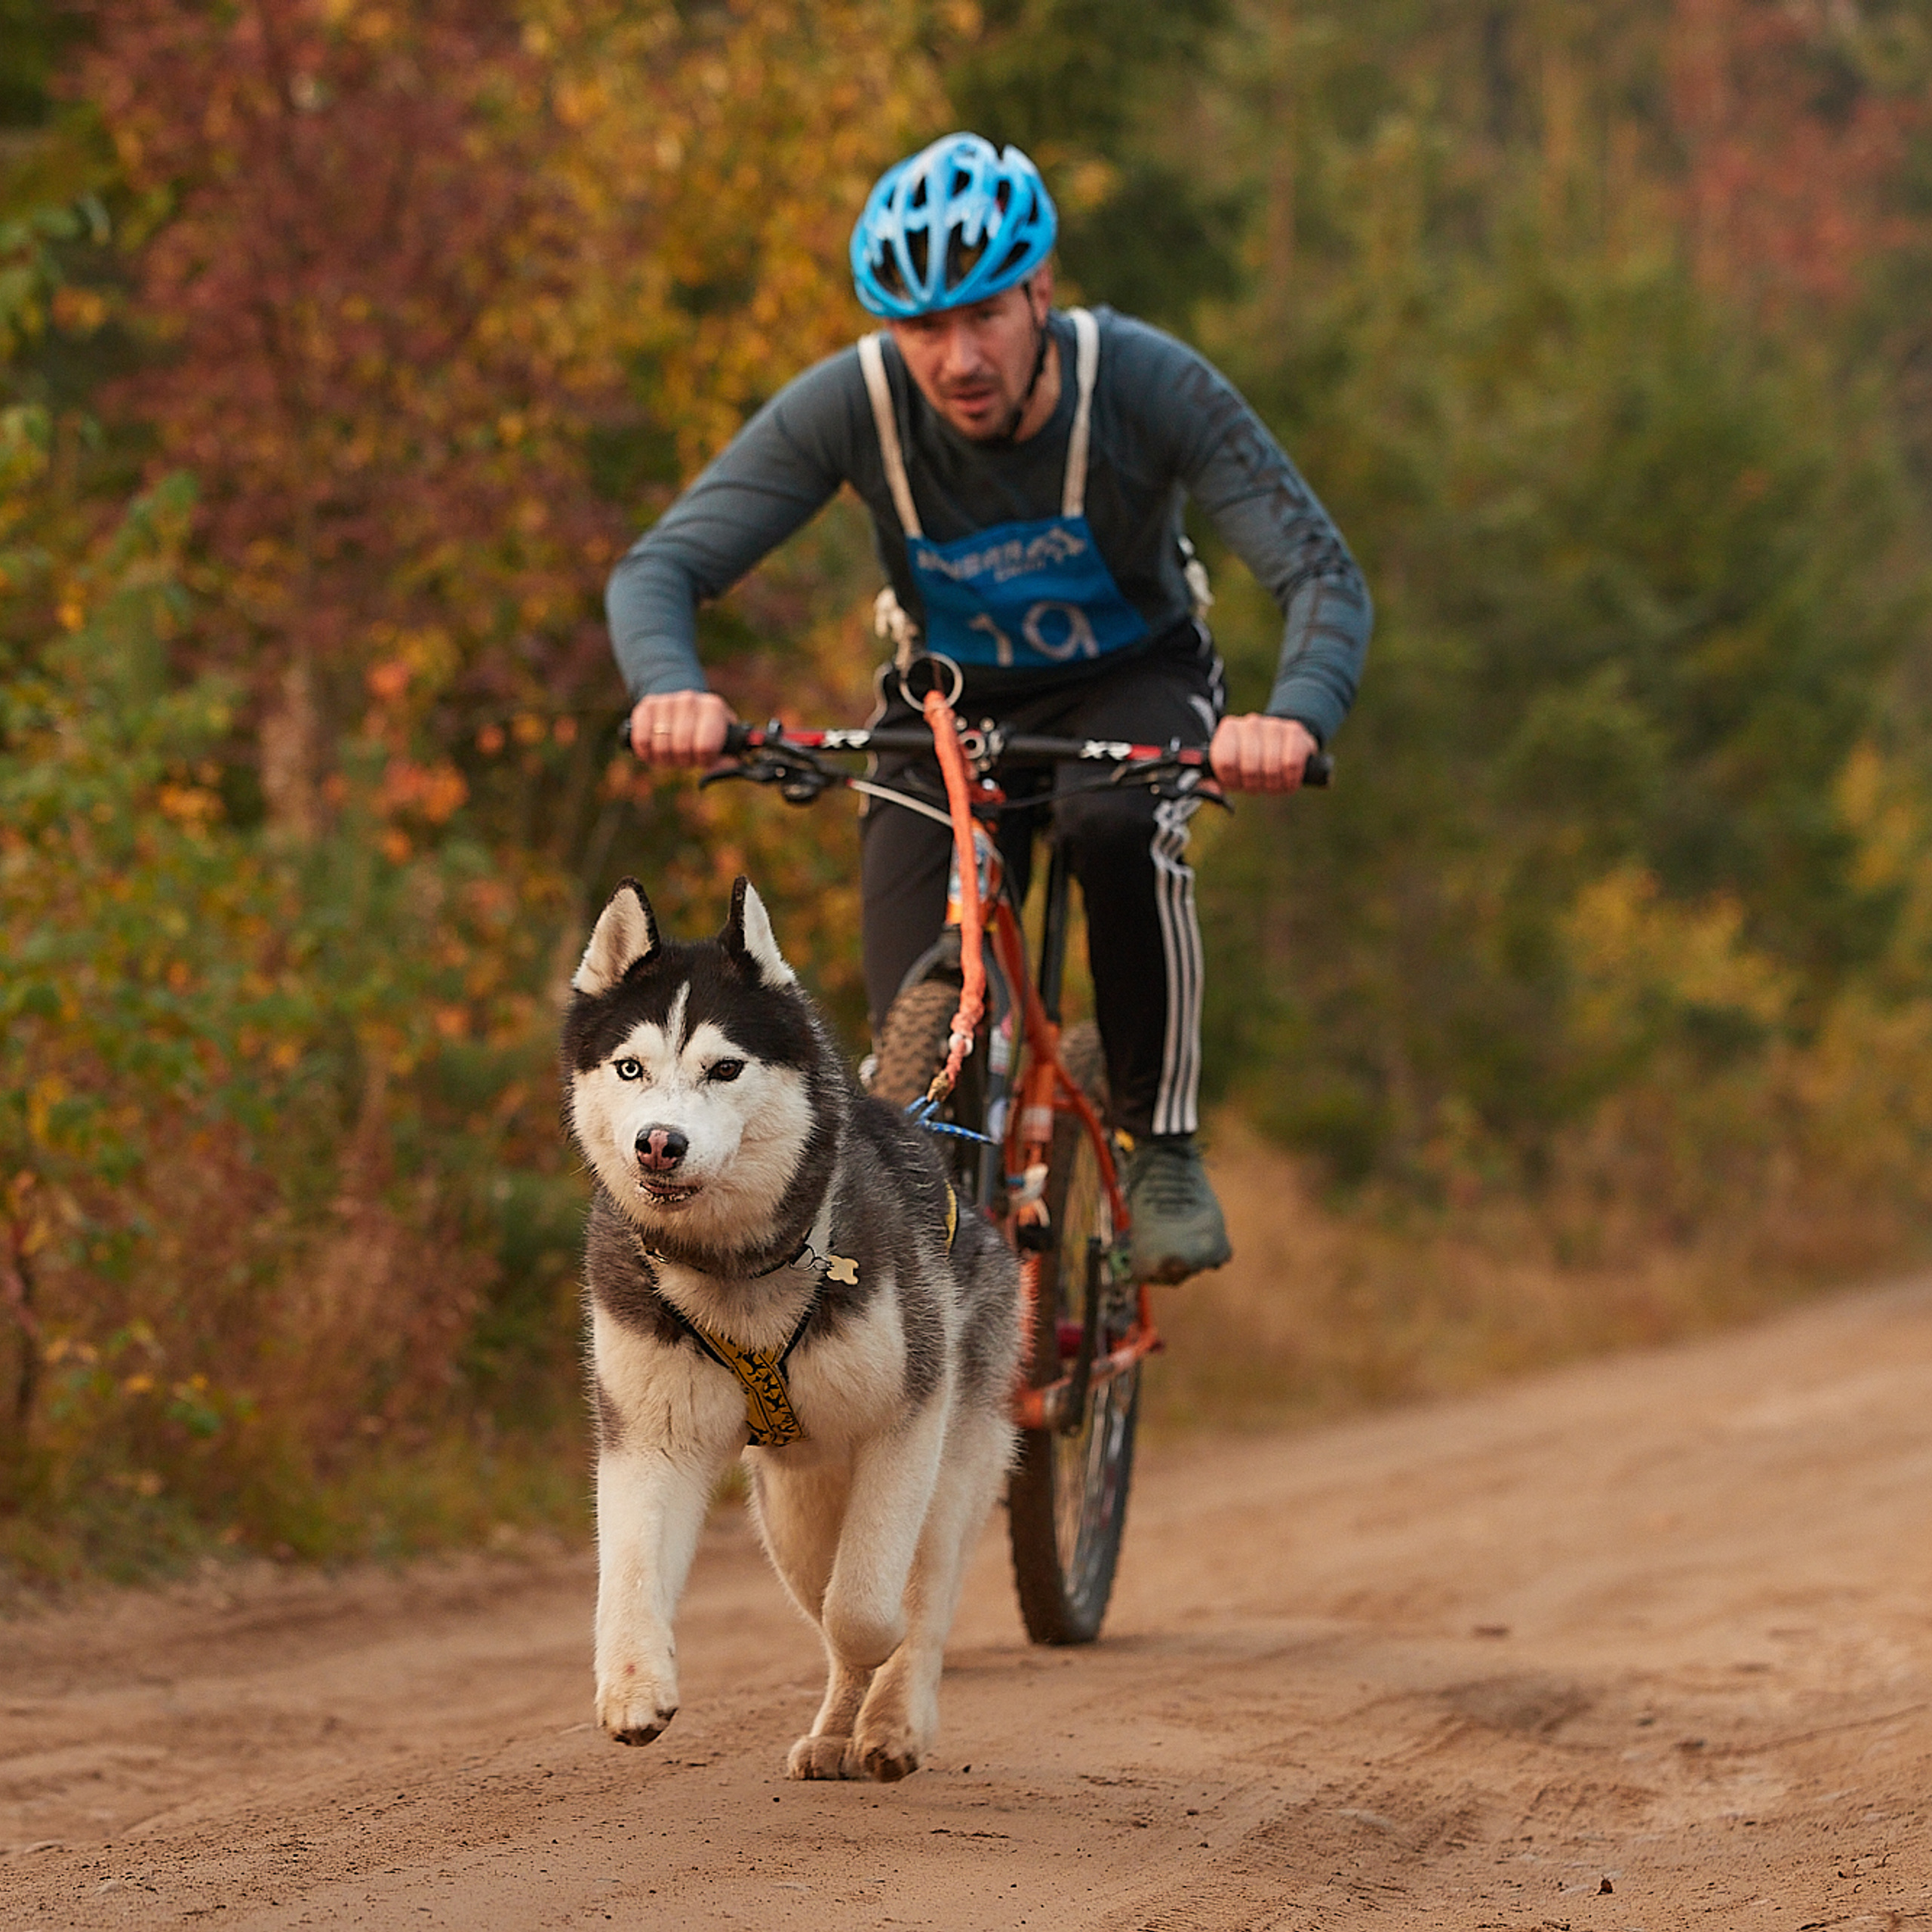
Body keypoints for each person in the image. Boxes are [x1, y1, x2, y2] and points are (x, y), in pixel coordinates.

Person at [607, 132, 1371, 1284]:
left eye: (983, 319)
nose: (956, 357)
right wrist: (672, 688)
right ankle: (933, 1256)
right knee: (914, 999)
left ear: (1041, 294)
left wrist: (1294, 715)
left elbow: (1319, 571)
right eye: (923, 330)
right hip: (948, 704)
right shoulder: (855, 404)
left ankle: (1160, 1140)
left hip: (1134, 681)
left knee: (1118, 832)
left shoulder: (1147, 384)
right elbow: (659, 571)